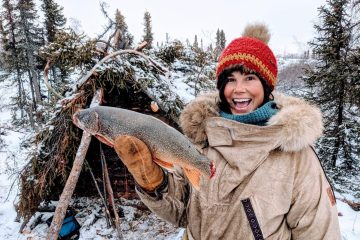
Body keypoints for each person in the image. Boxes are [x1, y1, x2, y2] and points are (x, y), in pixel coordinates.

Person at [113, 23, 341, 240]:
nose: (238, 89)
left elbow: (318, 232)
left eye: (249, 78)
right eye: (230, 79)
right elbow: (182, 212)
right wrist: (155, 184)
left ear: (266, 85)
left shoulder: (295, 154)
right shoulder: (203, 140)